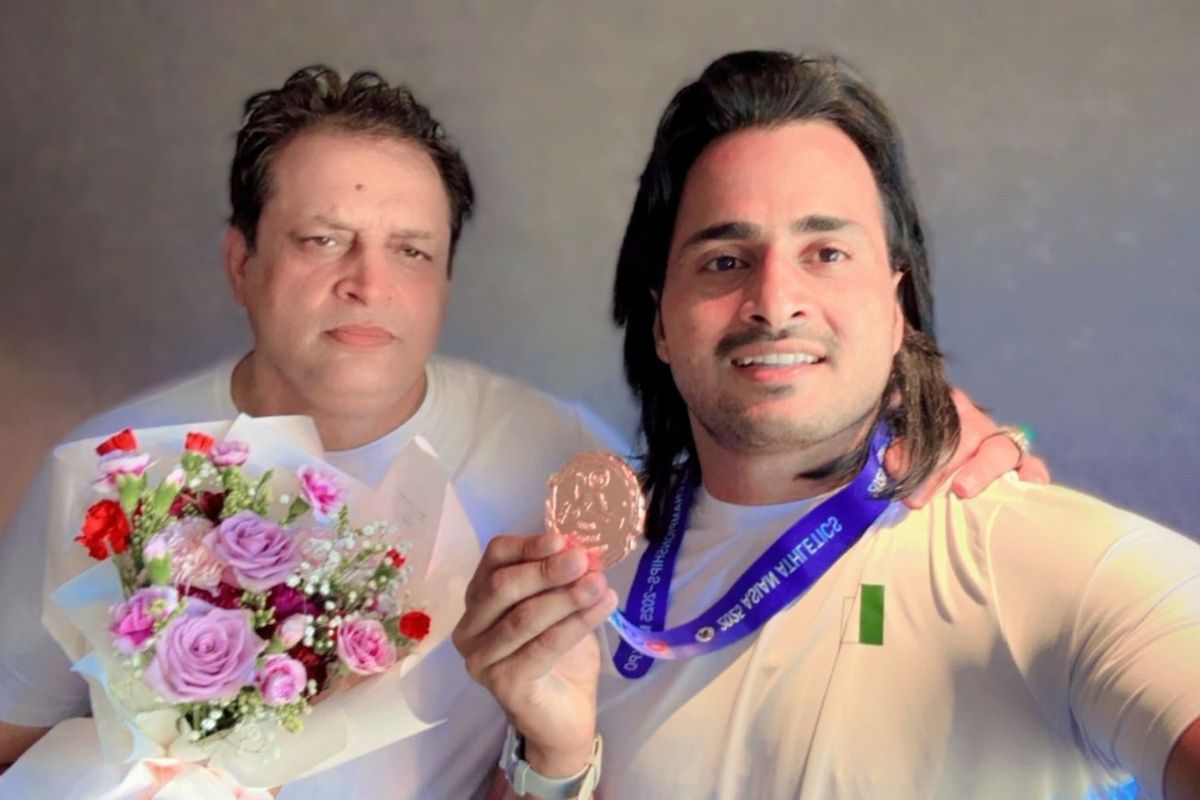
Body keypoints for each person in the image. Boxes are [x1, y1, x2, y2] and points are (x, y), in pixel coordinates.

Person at [0, 64, 1033, 795]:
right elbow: (14, 738)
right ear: (242, 260)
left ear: (447, 274)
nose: (369, 282)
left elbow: (759, 458)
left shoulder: (561, 456)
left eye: (411, 248)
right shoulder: (102, 472)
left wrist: (925, 417)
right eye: (322, 239)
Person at [454, 51, 1200, 799]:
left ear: (895, 304)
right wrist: (550, 762)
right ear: (660, 322)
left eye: (827, 252)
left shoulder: (1042, 559)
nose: (775, 302)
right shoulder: (582, 589)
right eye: (723, 260)